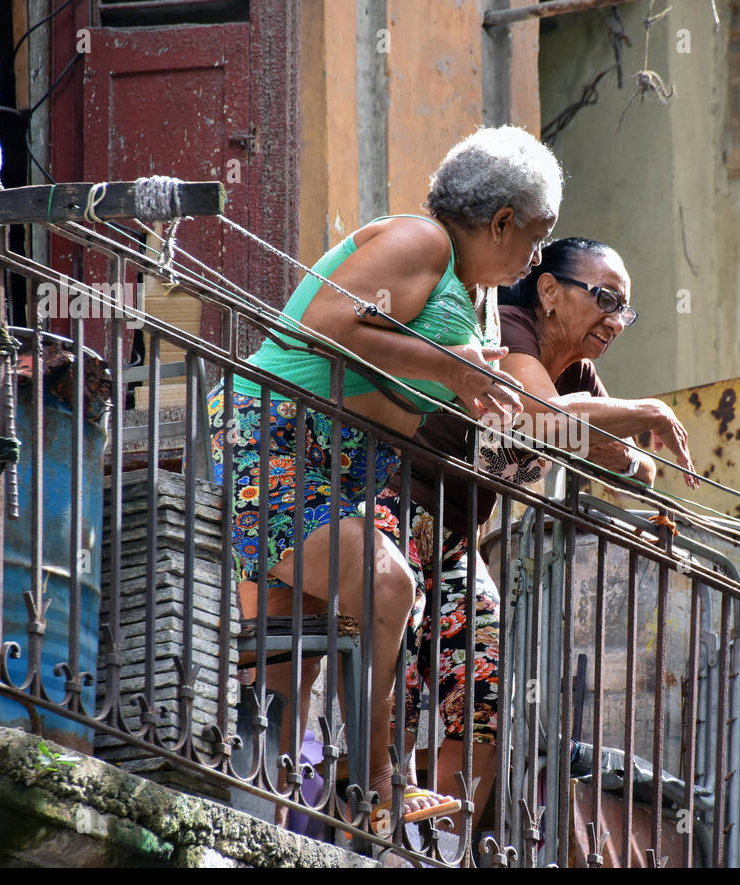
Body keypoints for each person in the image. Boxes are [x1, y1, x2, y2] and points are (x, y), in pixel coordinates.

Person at [207, 126, 563, 830]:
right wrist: (452, 368)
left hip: (330, 473)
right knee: (389, 582)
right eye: (537, 236)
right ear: (500, 222)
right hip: (275, 444)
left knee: (288, 668)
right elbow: (324, 325)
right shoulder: (422, 240)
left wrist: (478, 376)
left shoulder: (468, 291)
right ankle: (378, 785)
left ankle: (262, 830)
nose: (536, 256)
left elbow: (436, 362)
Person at [375, 237, 698, 833]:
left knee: (486, 689)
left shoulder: (575, 372)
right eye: (606, 298)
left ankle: (439, 842)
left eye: (626, 309)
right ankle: (371, 813)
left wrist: (604, 437)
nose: (617, 320)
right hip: (390, 509)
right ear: (549, 291)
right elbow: (532, 416)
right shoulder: (514, 329)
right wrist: (636, 413)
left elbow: (628, 469)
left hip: (451, 535)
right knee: (401, 679)